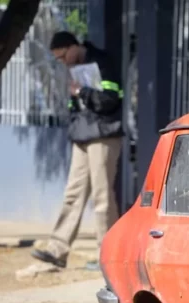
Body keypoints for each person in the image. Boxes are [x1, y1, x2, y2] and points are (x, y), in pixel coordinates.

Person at [31, 31, 123, 268]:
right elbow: (75, 107)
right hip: (81, 137)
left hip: (103, 136)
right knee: (72, 194)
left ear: (73, 47)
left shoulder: (101, 61)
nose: (63, 62)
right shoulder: (73, 71)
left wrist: (83, 92)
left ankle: (107, 256)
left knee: (101, 198)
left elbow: (111, 99)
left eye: (63, 56)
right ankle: (57, 249)